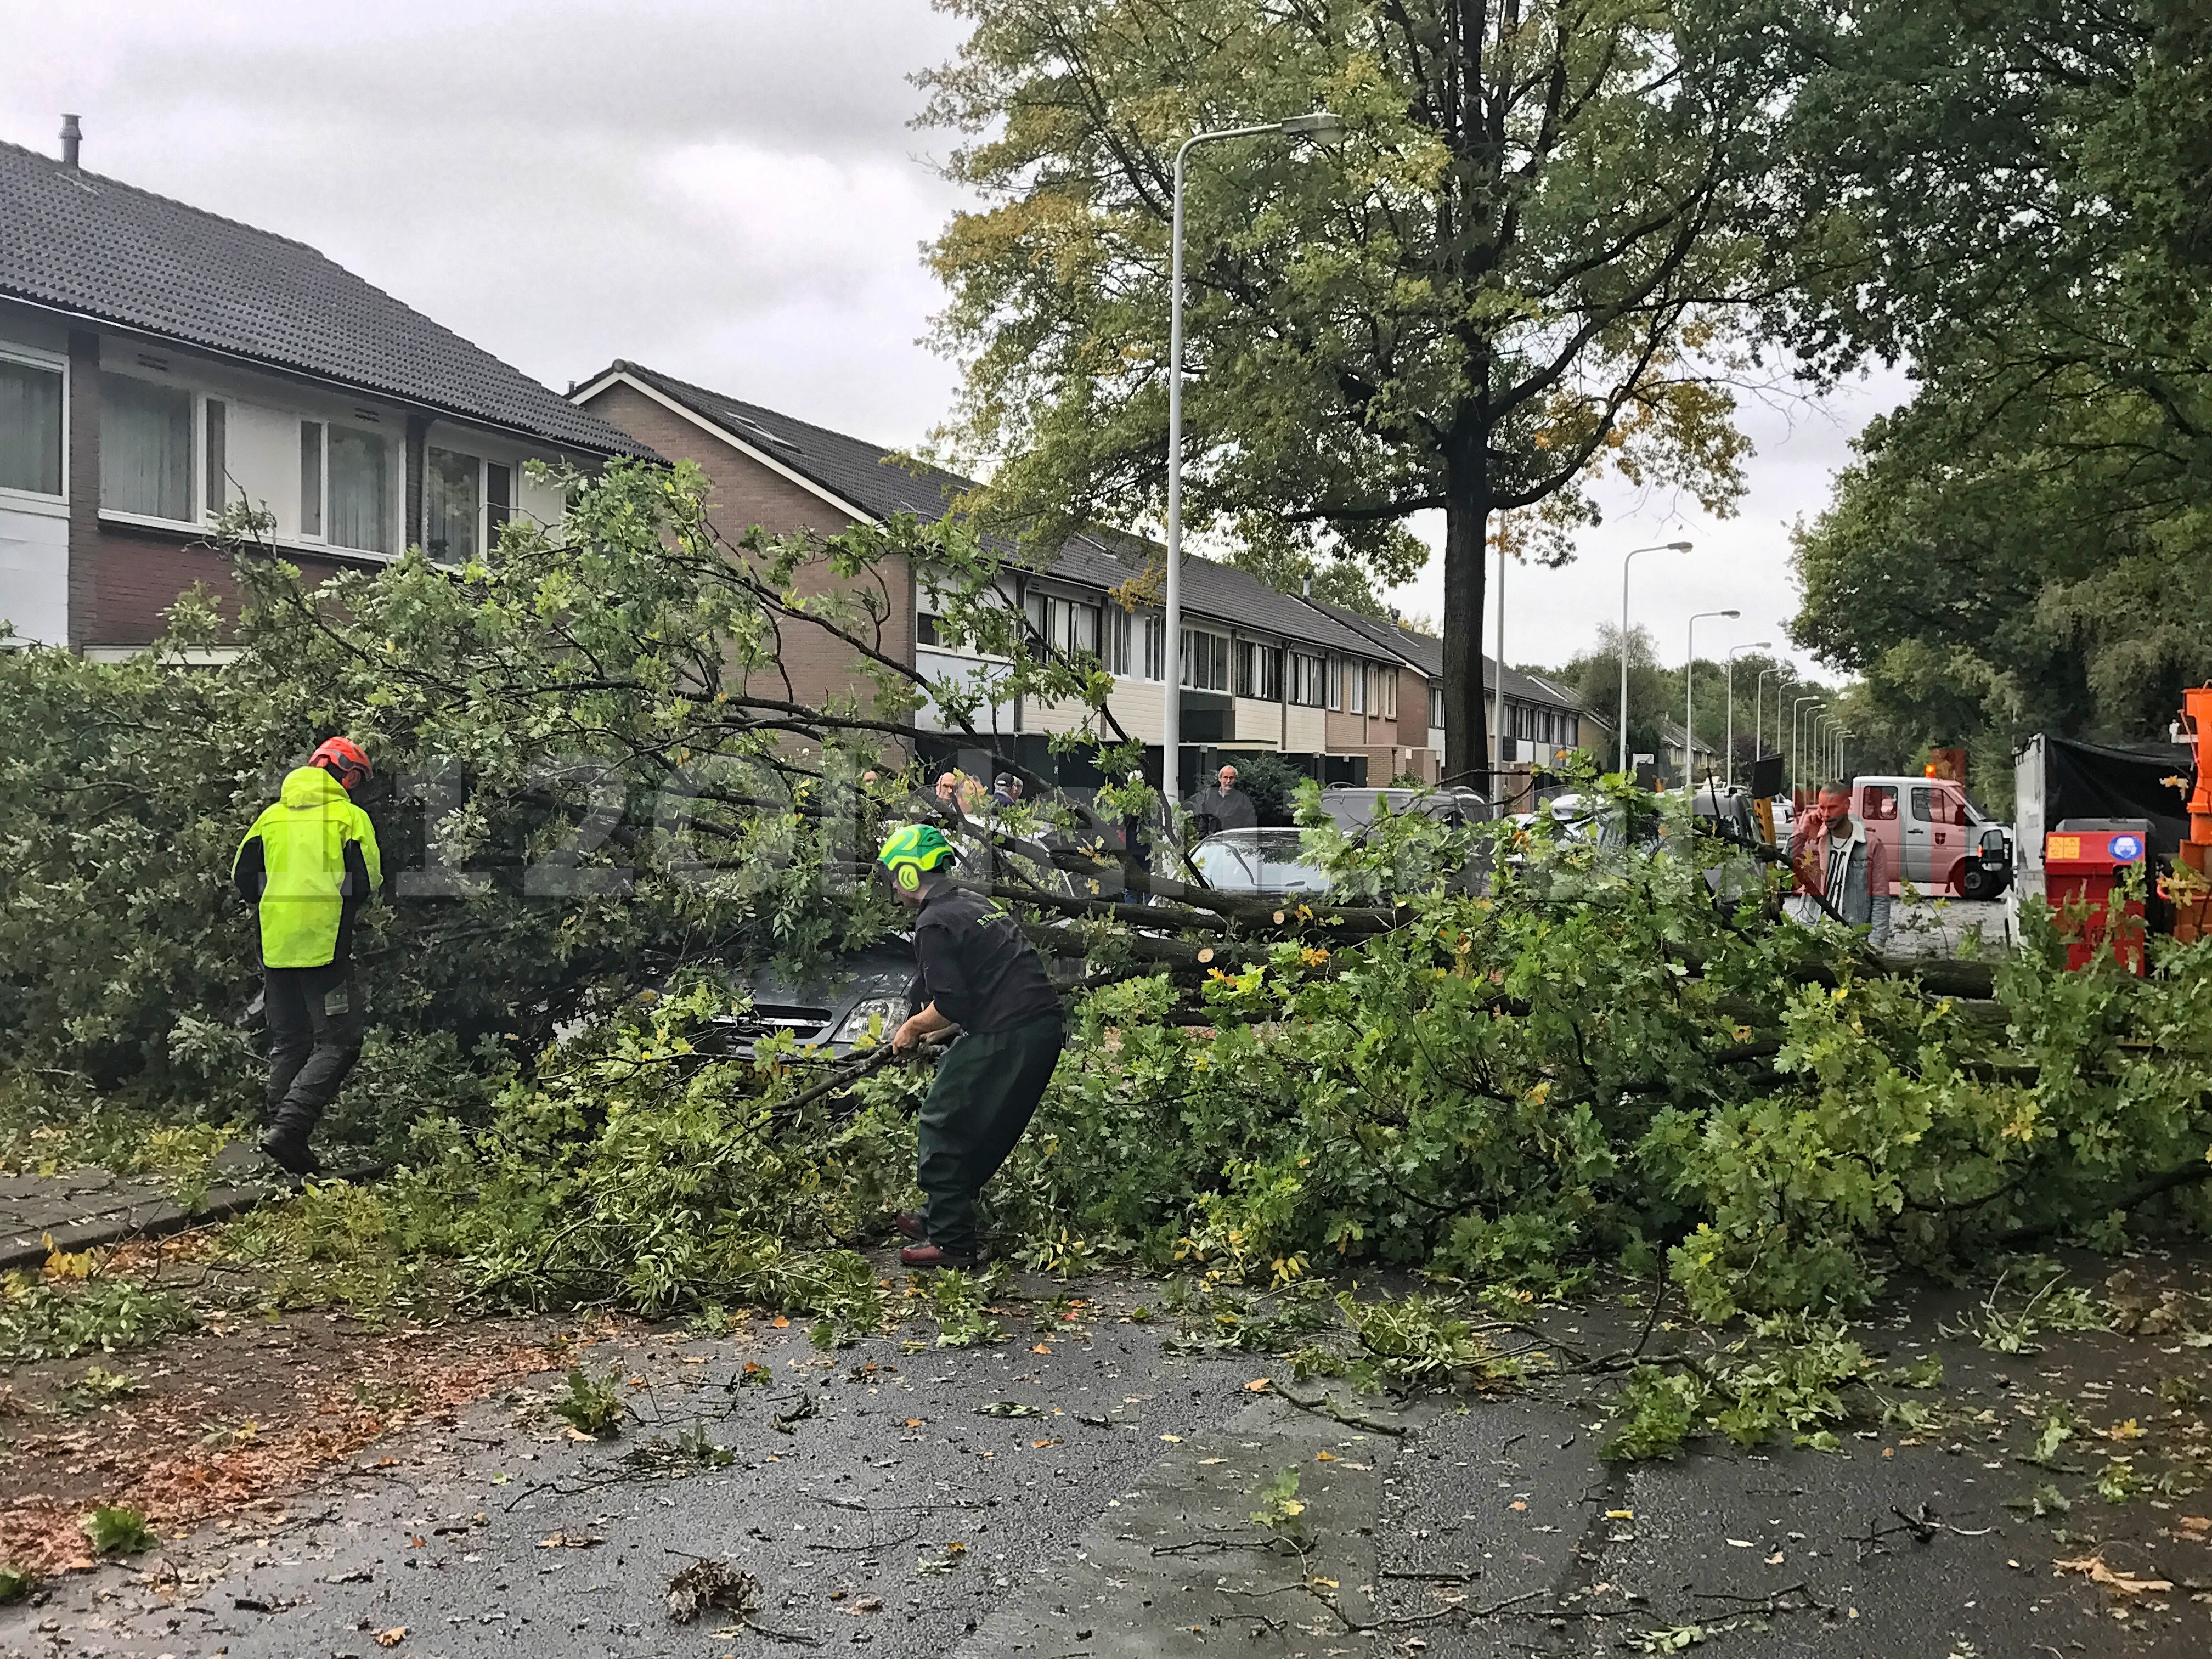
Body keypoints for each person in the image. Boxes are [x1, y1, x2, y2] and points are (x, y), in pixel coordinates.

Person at [877, 823, 1064, 1269]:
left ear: (906, 875)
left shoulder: (933, 923)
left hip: (1009, 1031)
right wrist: (931, 1030)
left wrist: (911, 1028)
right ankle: (942, 1216)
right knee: (983, 1128)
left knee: (944, 1122)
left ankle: (953, 1244)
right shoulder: (972, 903)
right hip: (1039, 1027)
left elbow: (953, 1001)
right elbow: (976, 993)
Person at [232, 737, 383, 1175]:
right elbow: (365, 880)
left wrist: (282, 903)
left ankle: (280, 1140)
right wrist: (331, 906)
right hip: (324, 944)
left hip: (275, 943)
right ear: (349, 776)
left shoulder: (271, 817)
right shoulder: (349, 818)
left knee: (290, 1041)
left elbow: (243, 879)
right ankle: (291, 1130)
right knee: (339, 1040)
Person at [1790, 778, 1892, 950]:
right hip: (1813, 933)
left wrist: (1876, 942)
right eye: (1822, 808)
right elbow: (1784, 869)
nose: (1826, 814)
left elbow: (1881, 897)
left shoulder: (1871, 846)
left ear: (1847, 805)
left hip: (1851, 937)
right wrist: (1802, 832)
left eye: (1832, 807)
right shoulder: (1815, 841)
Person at [1189, 763, 1256, 837]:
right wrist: (1203, 837)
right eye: (1226, 777)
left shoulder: (1243, 798)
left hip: (1233, 840)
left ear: (1235, 780)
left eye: (1232, 778)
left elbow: (1250, 822)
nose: (1228, 781)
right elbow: (1203, 818)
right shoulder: (1210, 795)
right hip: (1214, 840)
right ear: (1220, 779)